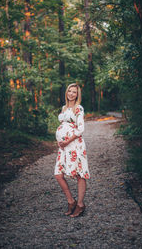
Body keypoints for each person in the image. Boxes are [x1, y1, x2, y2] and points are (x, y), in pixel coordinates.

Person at [54, 83, 90, 217]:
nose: (71, 94)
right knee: (58, 174)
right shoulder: (64, 108)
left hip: (75, 145)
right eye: (69, 91)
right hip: (63, 147)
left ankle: (80, 204)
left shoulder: (78, 108)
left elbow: (80, 129)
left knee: (79, 174)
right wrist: (60, 140)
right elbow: (64, 125)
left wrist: (68, 140)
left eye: (74, 92)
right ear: (66, 92)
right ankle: (71, 201)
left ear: (77, 95)